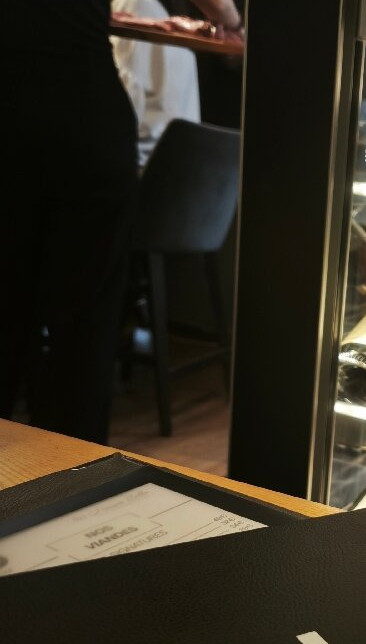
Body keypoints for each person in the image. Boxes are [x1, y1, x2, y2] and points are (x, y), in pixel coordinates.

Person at [2, 0, 241, 444]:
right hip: (84, 114)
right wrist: (230, 20)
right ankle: (66, 470)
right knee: (84, 329)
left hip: (13, 114)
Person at [111, 0, 202, 168]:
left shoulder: (134, 7)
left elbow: (124, 108)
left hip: (147, 164)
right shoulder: (177, 21)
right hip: (185, 163)